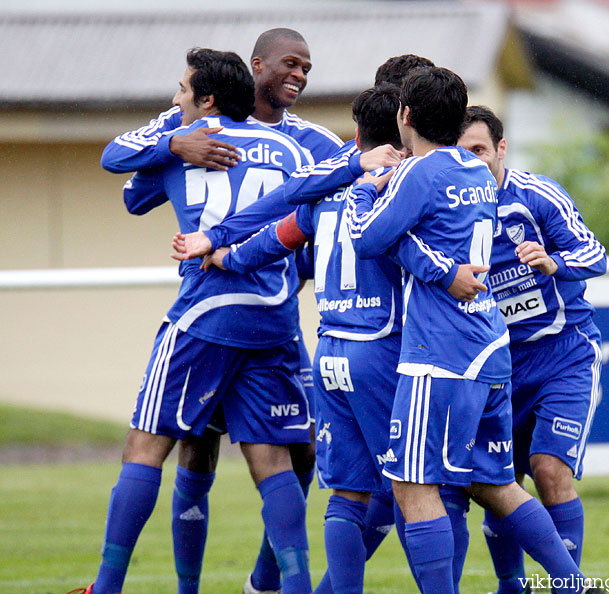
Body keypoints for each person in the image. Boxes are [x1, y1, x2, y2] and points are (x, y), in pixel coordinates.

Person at [181, 82, 477, 594]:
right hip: (382, 349)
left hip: (331, 352)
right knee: (424, 490)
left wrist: (224, 254)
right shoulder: (402, 185)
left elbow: (278, 237)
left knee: (346, 494)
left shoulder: (327, 192)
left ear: (357, 134)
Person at [100, 28, 352, 594]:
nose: (300, 77)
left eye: (306, 68)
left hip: (208, 313)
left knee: (158, 444)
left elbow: (124, 179)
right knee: (248, 454)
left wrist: (176, 156)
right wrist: (174, 146)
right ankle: (280, 583)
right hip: (271, 313)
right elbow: (312, 209)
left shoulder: (298, 138)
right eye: (291, 64)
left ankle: (115, 585)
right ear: (256, 68)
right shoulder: (288, 152)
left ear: (205, 97)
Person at [345, 66, 597, 594]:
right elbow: (417, 241)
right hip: (491, 348)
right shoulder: (475, 173)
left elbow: (368, 239)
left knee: (413, 486)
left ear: (405, 116)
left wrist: (363, 191)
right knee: (493, 482)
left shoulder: (420, 172)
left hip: (438, 352)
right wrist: (436, 263)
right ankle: (573, 583)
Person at [458, 106, 606, 593]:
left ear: (501, 149)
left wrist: (553, 262)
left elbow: (594, 252)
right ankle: (510, 585)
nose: (472, 162)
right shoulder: (452, 211)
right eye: (461, 154)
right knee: (500, 485)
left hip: (564, 357)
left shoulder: (536, 196)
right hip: (497, 368)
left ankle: (567, 586)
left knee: (548, 469)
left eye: (479, 151)